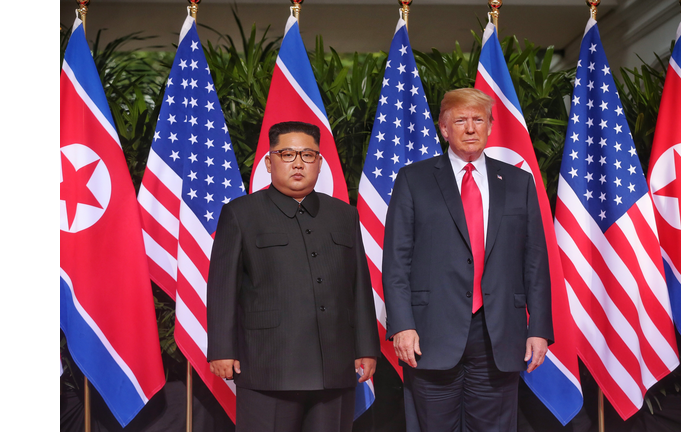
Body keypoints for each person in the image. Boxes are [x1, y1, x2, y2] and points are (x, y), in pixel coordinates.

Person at [382, 88, 553, 432]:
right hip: (430, 333)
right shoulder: (413, 180)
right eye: (461, 120)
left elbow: (534, 260)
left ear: (490, 126)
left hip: (500, 333)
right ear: (444, 129)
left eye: (478, 119)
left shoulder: (519, 182)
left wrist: (539, 329)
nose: (470, 128)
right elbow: (396, 261)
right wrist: (401, 324)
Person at [207, 121, 379, 432]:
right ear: (270, 163)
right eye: (287, 154)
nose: (298, 163)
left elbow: (359, 287)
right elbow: (223, 288)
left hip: (334, 365)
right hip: (268, 365)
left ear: (320, 163)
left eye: (308, 155)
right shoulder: (241, 213)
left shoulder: (344, 214)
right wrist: (221, 349)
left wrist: (366, 347)